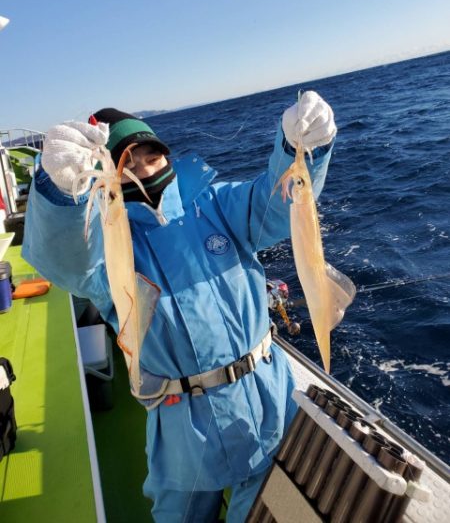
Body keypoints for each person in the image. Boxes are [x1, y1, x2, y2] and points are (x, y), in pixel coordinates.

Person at [22, 91, 336, 523]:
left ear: (165, 155)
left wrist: (301, 149)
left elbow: (277, 203)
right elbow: (69, 260)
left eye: (150, 154)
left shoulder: (217, 204)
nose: (143, 166)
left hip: (268, 402)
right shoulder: (108, 240)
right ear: (107, 174)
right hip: (181, 424)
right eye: (126, 162)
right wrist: (60, 194)